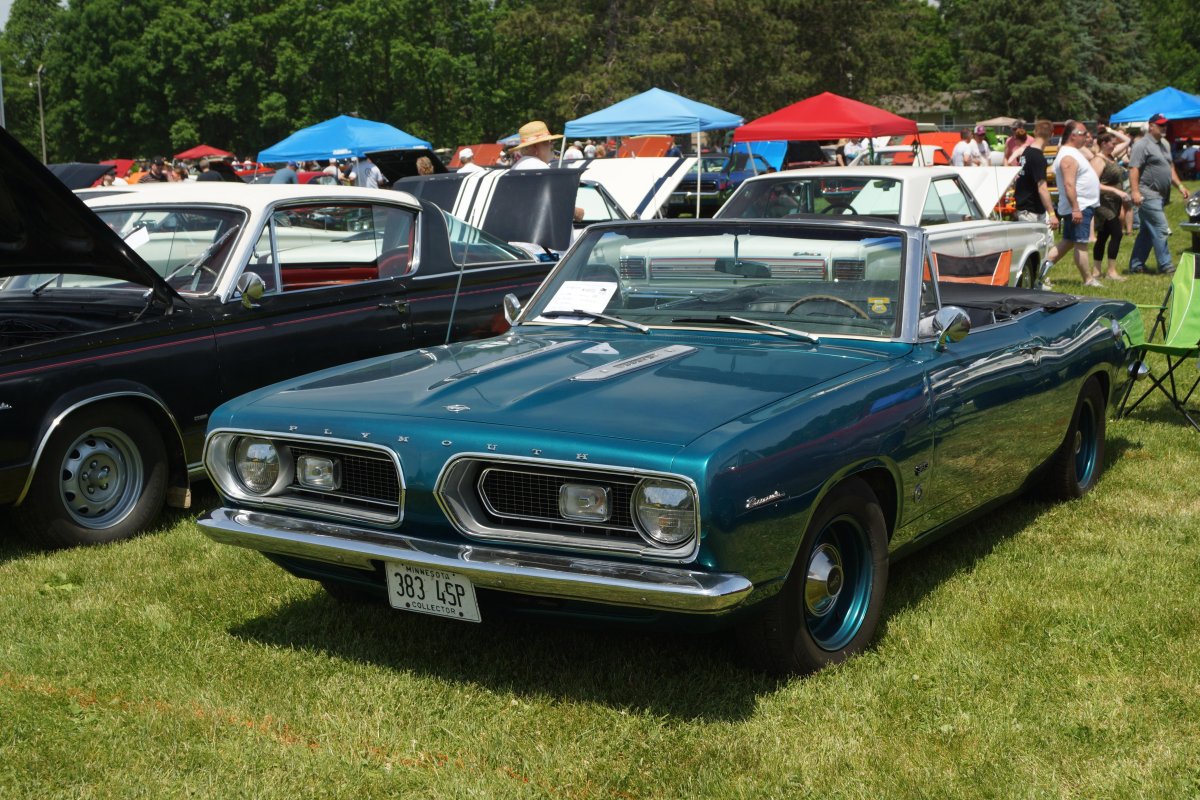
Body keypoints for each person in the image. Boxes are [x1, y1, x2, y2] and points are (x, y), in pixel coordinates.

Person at [1038, 121, 1103, 288]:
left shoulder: (1072, 152)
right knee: (1081, 243)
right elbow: (1068, 184)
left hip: (1080, 205)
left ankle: (1038, 273)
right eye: (1084, 134)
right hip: (1078, 206)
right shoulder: (1068, 156)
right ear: (1073, 135)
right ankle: (1088, 280)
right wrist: (1076, 208)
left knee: (1067, 242)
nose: (1087, 137)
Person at [1128, 112, 1191, 275]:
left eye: (1165, 125)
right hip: (1146, 193)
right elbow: (1133, 168)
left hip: (1160, 195)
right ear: (1151, 126)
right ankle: (1166, 266)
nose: (1164, 128)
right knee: (1161, 228)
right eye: (1160, 125)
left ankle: (1136, 265)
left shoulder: (1164, 144)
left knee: (1148, 232)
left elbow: (1169, 168)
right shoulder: (1142, 145)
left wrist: (1180, 186)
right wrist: (1135, 191)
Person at [1090, 131, 1132, 282]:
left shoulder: (1111, 157)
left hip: (1114, 202)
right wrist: (1115, 190)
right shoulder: (1098, 160)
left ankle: (1096, 271)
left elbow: (1127, 140)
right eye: (1111, 143)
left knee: (1103, 236)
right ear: (1103, 144)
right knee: (1117, 233)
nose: (1114, 145)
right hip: (1103, 203)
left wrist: (1111, 130)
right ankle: (1111, 272)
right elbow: (1094, 184)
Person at [1013, 119, 1059, 233]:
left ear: (1035, 132)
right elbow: (1042, 188)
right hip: (1031, 212)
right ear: (1051, 135)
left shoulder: (1026, 151)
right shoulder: (1038, 158)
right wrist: (1052, 214)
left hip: (1025, 209)